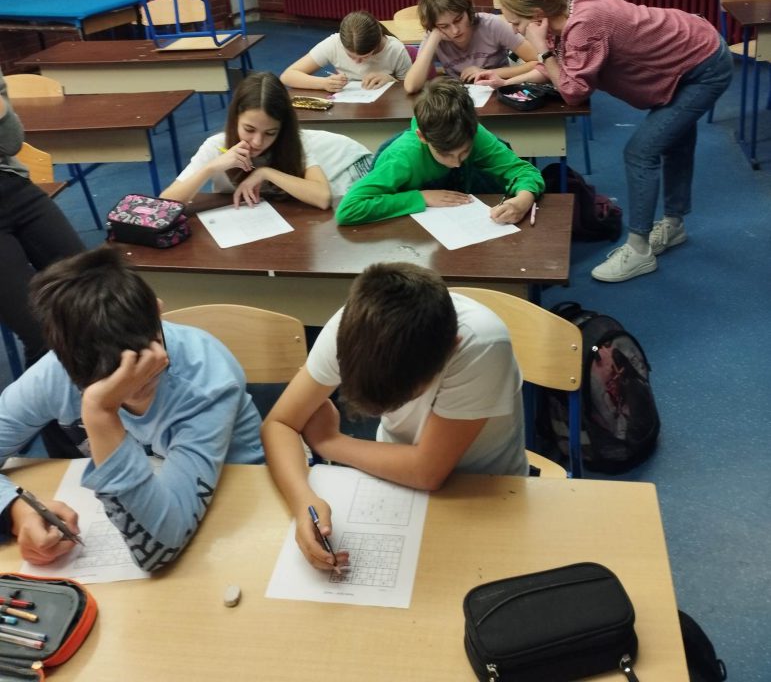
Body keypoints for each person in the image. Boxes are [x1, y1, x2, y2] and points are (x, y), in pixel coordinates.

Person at [0, 246, 264, 572]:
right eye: (113, 382)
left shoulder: (207, 380)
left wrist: (100, 411)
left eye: (145, 367)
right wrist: (16, 510)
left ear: (158, 313)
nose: (135, 387)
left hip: (239, 511)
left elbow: (156, 549)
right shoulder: (56, 372)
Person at [262, 262, 527, 571]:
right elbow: (279, 423)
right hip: (394, 475)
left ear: (451, 348)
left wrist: (328, 441)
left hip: (484, 487)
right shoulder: (350, 329)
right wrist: (302, 502)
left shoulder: (482, 345)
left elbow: (427, 472)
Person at [487, 0, 733, 283]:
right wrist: (505, 81)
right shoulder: (562, 5)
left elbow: (572, 91)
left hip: (703, 65)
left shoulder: (585, 23)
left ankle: (639, 251)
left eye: (516, 22)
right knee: (674, 141)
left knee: (641, 153)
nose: (514, 29)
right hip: (685, 55)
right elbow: (558, 67)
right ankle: (674, 226)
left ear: (536, 16)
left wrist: (542, 49)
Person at [335, 76, 544, 226]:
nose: (457, 163)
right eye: (446, 155)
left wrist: (523, 200)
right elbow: (349, 209)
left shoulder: (474, 133)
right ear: (422, 137)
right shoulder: (402, 157)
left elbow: (524, 171)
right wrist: (421, 198)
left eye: (464, 152)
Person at [161, 71, 373, 209]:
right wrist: (209, 168)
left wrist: (264, 172)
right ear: (235, 119)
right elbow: (164, 204)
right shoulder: (216, 146)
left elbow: (323, 197)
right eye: (249, 129)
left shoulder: (293, 142)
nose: (257, 142)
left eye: (270, 133)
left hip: (349, 167)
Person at [0, 67, 84, 369]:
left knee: (94, 290)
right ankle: (52, 402)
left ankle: (112, 386)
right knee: (43, 332)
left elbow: (10, 143)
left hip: (12, 188)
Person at [403, 0, 545, 94]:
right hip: (462, 98)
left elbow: (538, 62)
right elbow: (411, 86)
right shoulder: (435, 35)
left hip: (498, 91)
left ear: (468, 10)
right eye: (444, 26)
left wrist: (487, 72)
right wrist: (433, 38)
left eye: (458, 20)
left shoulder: (492, 25)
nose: (455, 31)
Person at [280, 10, 412, 92]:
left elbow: (412, 87)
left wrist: (391, 80)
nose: (357, 62)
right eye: (351, 56)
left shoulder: (395, 49)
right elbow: (287, 76)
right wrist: (323, 83)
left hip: (385, 108)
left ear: (377, 44)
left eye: (365, 56)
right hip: (347, 107)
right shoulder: (333, 44)